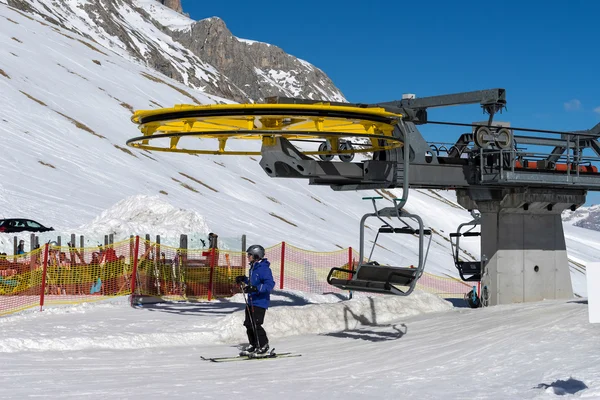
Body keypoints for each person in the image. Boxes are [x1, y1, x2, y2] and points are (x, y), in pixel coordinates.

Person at [235, 244, 275, 356]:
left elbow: (270, 284)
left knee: (256, 324)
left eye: (250, 255)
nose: (248, 257)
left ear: (257, 255)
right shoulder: (253, 267)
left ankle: (263, 345)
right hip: (251, 301)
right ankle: (254, 344)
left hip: (260, 301)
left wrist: (256, 288)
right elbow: (254, 283)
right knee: (248, 323)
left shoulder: (264, 268)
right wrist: (244, 279)